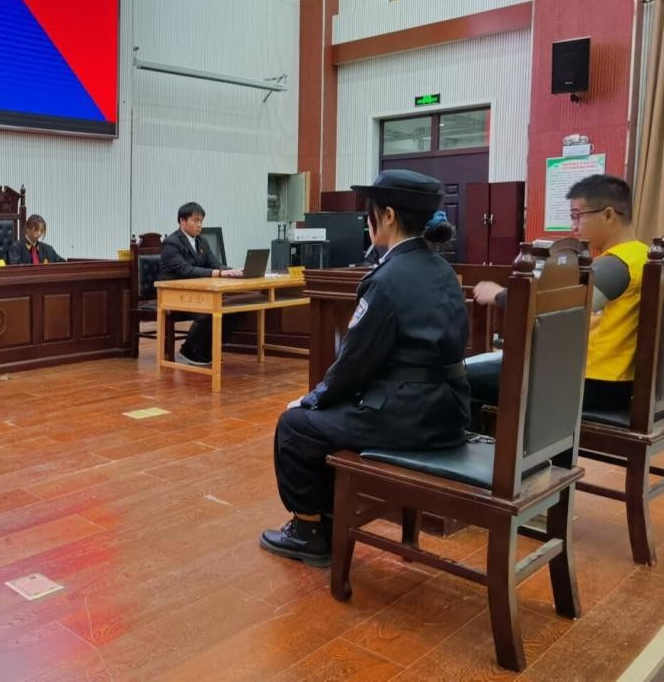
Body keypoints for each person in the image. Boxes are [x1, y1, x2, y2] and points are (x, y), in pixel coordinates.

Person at [261, 169, 469, 567]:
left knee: (295, 426)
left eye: (370, 212)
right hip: (449, 411)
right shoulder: (443, 269)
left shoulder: (387, 279)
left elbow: (354, 364)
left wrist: (311, 399)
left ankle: (309, 531)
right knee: (327, 415)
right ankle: (328, 516)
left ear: (388, 216)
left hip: (408, 417)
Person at [466, 174, 647, 423]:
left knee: (462, 378)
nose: (573, 226)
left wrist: (499, 294)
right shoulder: (643, 254)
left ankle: (487, 447)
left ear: (608, 214)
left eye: (577, 216)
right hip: (613, 381)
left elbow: (551, 310)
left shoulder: (616, 264)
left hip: (591, 382)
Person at [158, 202, 243, 366]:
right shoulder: (171, 242)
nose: (199, 225)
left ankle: (204, 350)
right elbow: (185, 270)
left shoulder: (201, 241)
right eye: (195, 220)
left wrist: (234, 271)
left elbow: (215, 264)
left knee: (234, 310)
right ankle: (188, 352)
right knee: (209, 312)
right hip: (173, 294)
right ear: (182, 221)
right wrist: (218, 273)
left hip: (197, 292)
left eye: (201, 221)